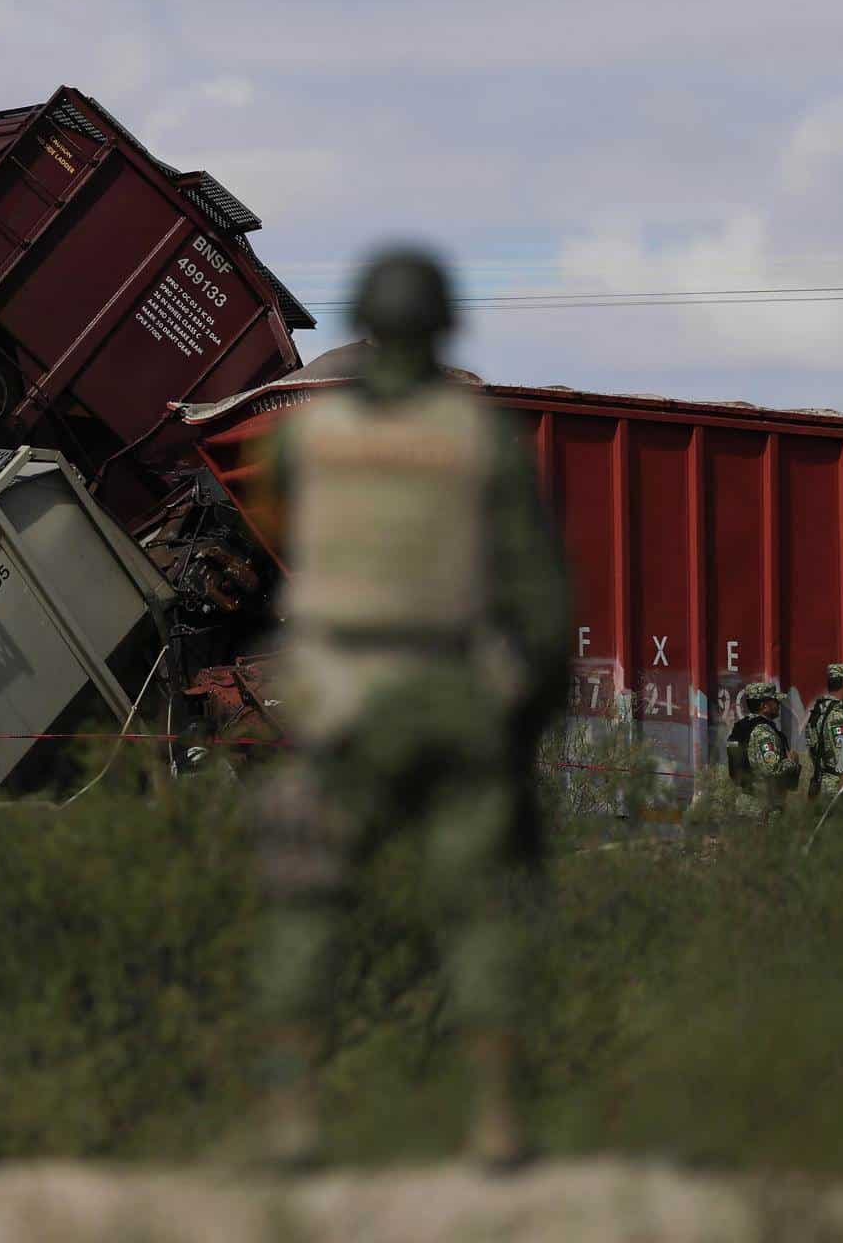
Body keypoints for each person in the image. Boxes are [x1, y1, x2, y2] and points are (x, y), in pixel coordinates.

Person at [248, 247, 570, 1169]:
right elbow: (542, 601)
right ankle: (498, 1121)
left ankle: (293, 1118)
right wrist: (527, 727)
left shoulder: (299, 438)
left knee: (306, 904)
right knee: (477, 912)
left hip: (344, 699)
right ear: (443, 328)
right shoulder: (482, 441)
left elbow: (280, 526)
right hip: (454, 692)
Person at [727, 683, 799, 820]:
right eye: (775, 701)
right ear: (764, 706)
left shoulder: (744, 727)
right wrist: (792, 762)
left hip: (747, 802)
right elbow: (772, 769)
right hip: (764, 807)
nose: (778, 704)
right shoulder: (764, 733)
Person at [804, 664, 843, 803]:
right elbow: (842, 760)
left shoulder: (819, 710)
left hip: (822, 783)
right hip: (840, 789)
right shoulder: (839, 717)